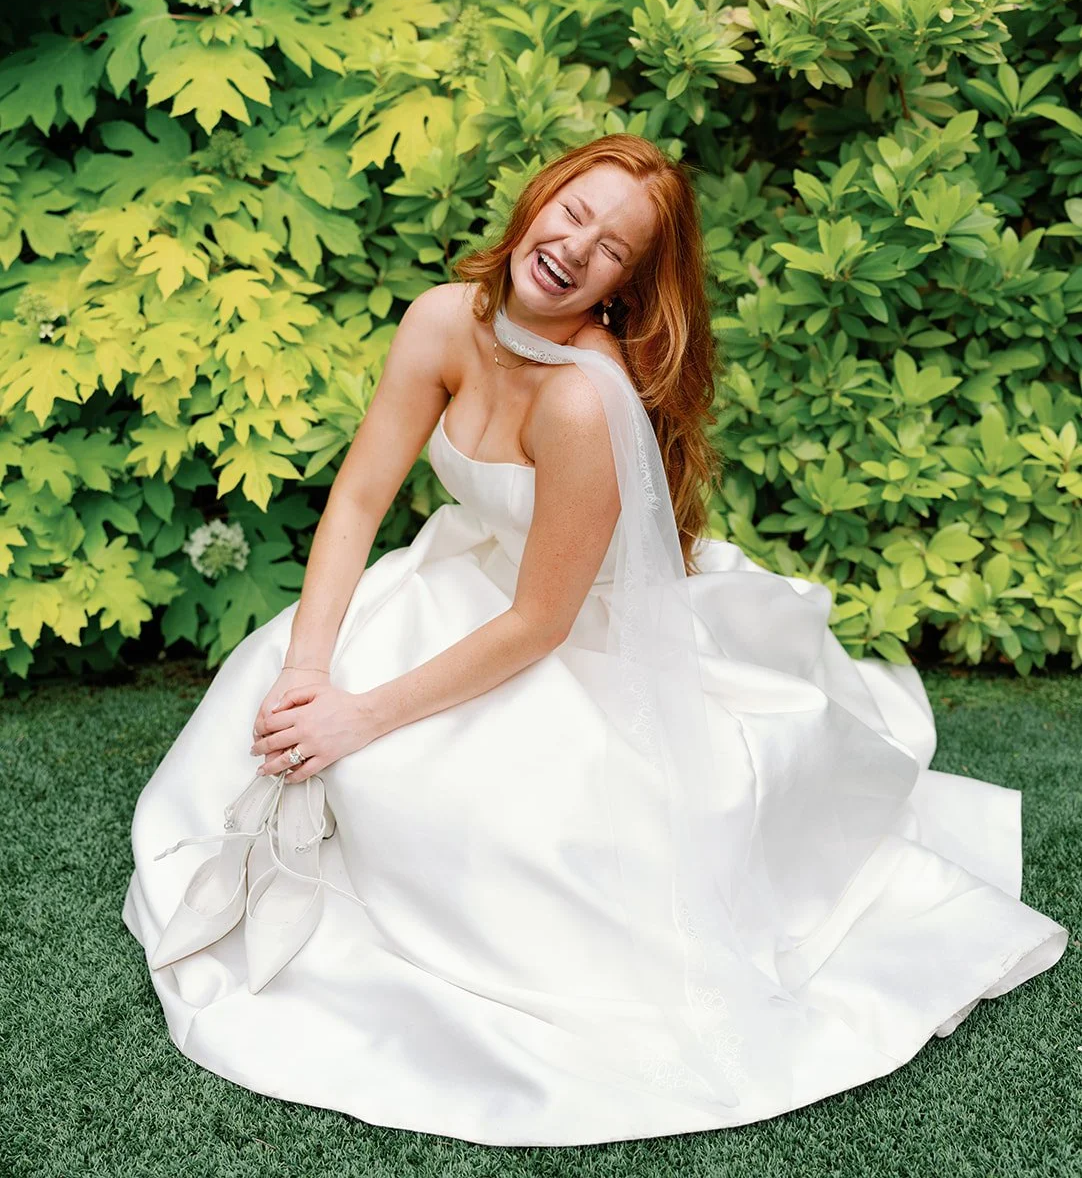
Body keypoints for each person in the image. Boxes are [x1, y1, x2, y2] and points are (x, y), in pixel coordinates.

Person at [123, 133, 1068, 1148]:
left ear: (624, 286)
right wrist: (313, 670)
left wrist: (357, 715)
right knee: (276, 672)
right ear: (539, 199)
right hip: (465, 573)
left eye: (610, 248)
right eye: (572, 211)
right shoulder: (444, 318)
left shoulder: (583, 399)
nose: (573, 247)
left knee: (429, 785)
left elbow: (540, 622)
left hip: (563, 629)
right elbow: (357, 500)